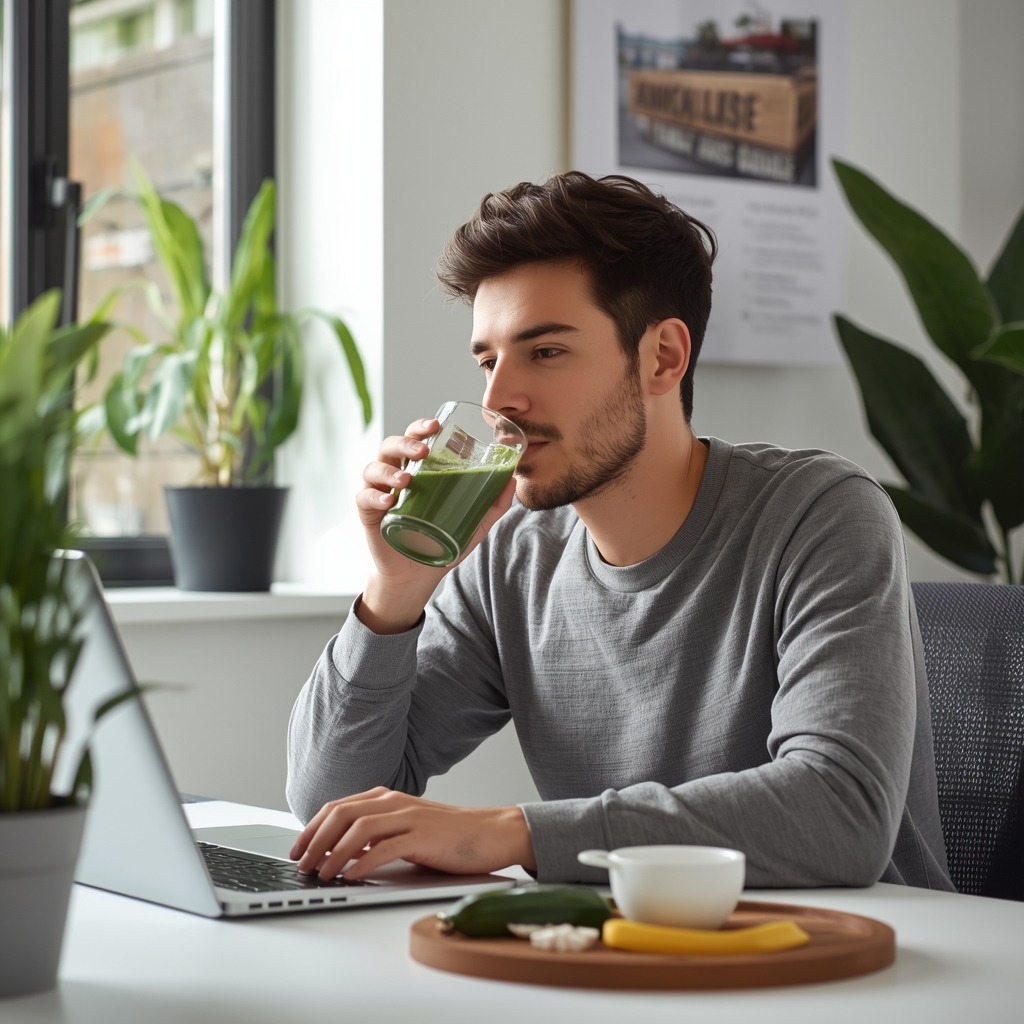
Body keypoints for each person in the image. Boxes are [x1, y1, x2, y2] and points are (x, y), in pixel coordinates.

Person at [285, 172, 953, 892]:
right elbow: (332, 802)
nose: (496, 399)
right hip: (634, 961)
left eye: (545, 352)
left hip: (856, 964)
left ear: (663, 356)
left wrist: (511, 832)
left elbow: (837, 815)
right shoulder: (512, 557)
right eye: (487, 359)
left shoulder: (819, 513)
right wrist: (395, 590)